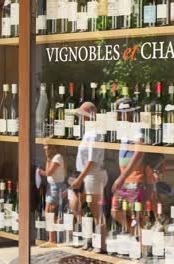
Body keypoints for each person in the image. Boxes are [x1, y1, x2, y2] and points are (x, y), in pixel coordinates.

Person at [68, 102, 108, 250]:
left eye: (82, 115)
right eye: (80, 116)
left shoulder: (95, 133)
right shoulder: (88, 132)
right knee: (76, 205)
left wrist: (79, 179)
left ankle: (101, 244)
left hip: (92, 175)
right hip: (83, 174)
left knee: (96, 210)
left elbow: (92, 161)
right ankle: (89, 238)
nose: (80, 118)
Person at [38, 144, 66, 247]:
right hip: (51, 186)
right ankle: (52, 238)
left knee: (50, 212)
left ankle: (52, 240)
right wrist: (48, 158)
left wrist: (41, 172)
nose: (45, 149)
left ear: (53, 147)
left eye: (47, 147)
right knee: (49, 212)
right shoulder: (52, 158)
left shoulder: (58, 157)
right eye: (44, 147)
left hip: (56, 186)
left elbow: (49, 172)